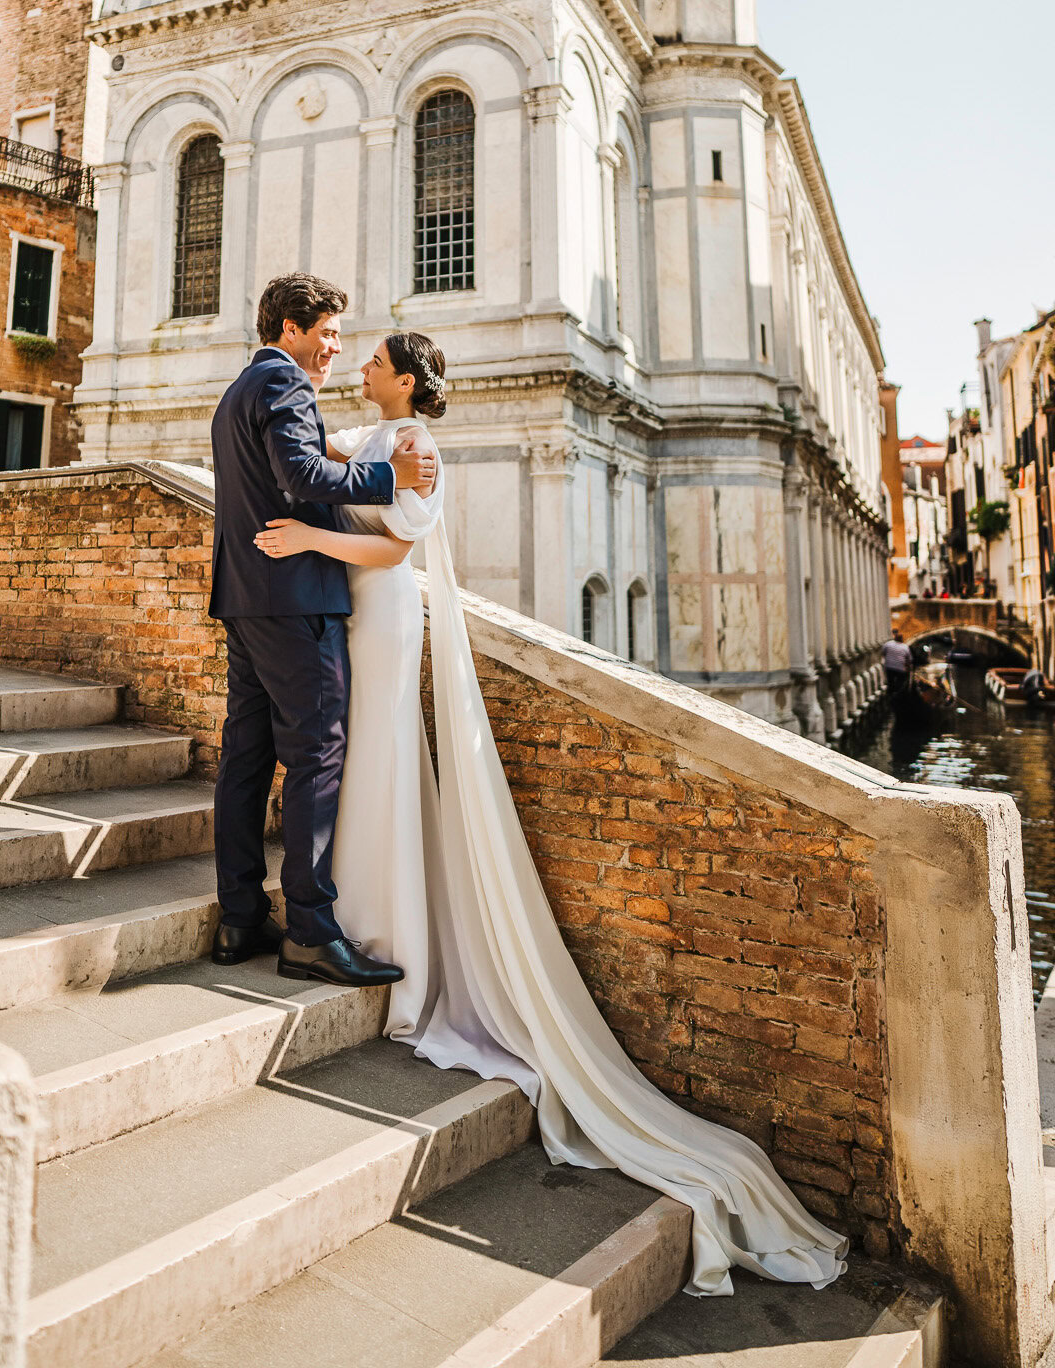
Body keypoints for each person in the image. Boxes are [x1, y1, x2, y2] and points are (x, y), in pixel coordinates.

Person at [254, 328, 848, 1299]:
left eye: (374, 361)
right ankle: (356, 919)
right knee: (364, 766)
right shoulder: (375, 432)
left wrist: (313, 537)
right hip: (357, 612)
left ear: (405, 378)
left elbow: (401, 540)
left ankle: (381, 936)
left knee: (383, 764)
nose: (360, 365)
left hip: (386, 609)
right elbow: (324, 476)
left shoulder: (417, 447)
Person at [208, 272, 436, 988]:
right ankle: (308, 929)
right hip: (293, 602)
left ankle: (240, 916)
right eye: (328, 332)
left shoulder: (238, 390)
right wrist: (388, 478)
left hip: (245, 600)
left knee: (247, 758)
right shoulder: (285, 385)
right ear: (290, 329)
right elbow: (302, 475)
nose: (335, 347)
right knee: (317, 755)